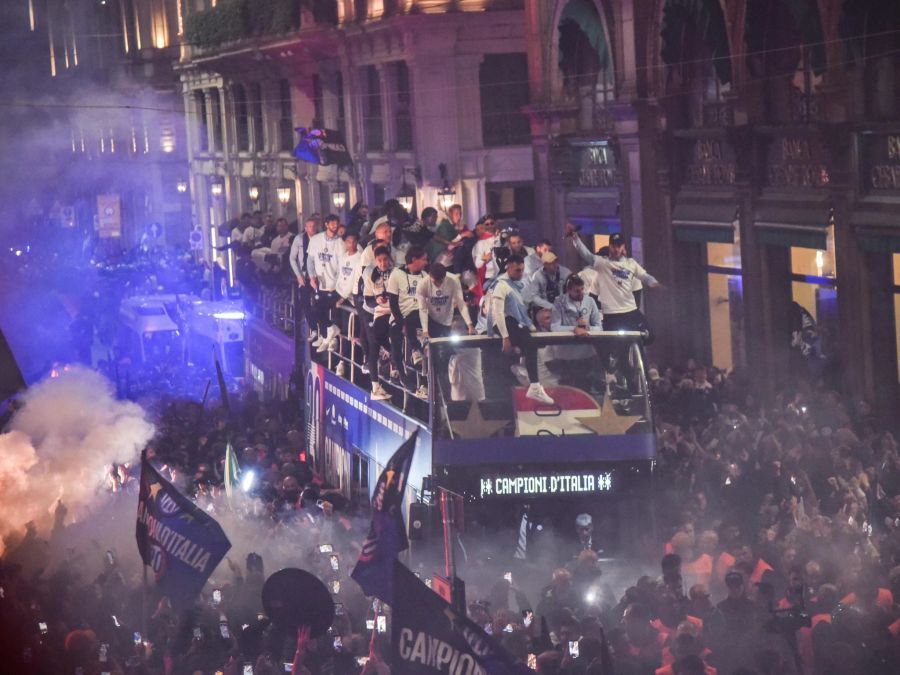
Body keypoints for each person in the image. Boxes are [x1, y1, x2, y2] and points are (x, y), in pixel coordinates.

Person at [565, 226, 661, 333]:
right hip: (611, 314)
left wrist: (654, 283)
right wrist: (576, 239)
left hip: (630, 310)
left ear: (623, 247)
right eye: (613, 246)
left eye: (619, 246)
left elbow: (645, 276)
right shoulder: (602, 263)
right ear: (609, 246)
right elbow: (587, 255)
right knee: (615, 344)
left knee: (649, 334)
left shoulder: (631, 263)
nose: (616, 249)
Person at [487, 254, 554, 405]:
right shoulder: (501, 285)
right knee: (530, 344)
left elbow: (519, 309)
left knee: (530, 344)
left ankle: (532, 381)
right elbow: (498, 313)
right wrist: (505, 337)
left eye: (522, 270)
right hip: (502, 322)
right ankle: (535, 386)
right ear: (508, 267)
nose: (521, 273)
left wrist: (530, 326)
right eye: (517, 270)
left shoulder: (514, 284)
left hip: (512, 321)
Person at [386, 246, 429, 398]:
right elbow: (393, 303)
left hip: (419, 316)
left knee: (427, 346)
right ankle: (402, 377)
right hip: (399, 316)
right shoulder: (396, 274)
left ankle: (424, 382)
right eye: (423, 259)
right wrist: (401, 323)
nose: (426, 262)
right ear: (413, 260)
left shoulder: (425, 276)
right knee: (395, 342)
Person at [306, 214, 343, 350]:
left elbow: (342, 266)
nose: (335, 226)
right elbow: (310, 260)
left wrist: (338, 285)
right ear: (326, 224)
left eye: (336, 223)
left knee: (331, 312)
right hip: (319, 283)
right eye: (332, 223)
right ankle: (327, 332)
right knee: (315, 310)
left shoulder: (340, 243)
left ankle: (331, 340)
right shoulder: (316, 239)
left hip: (333, 286)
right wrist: (311, 277)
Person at [363, 247, 395, 400]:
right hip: (380, 313)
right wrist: (377, 300)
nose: (382, 263)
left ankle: (394, 363)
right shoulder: (371, 275)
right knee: (374, 341)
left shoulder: (397, 273)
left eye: (385, 260)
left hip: (396, 312)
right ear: (375, 261)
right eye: (379, 260)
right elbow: (367, 300)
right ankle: (375, 386)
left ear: (389, 258)